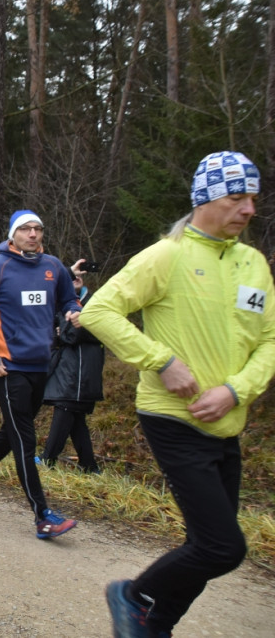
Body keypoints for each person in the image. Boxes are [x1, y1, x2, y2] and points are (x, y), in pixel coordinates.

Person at [80, 151, 274, 638]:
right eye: (236, 198)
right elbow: (99, 311)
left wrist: (236, 390)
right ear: (206, 200)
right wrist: (161, 362)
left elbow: (270, 339)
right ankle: (134, 595)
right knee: (222, 548)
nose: (249, 209)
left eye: (252, 198)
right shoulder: (167, 256)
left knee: (206, 547)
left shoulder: (253, 262)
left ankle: (154, 627)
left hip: (227, 422)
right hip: (174, 417)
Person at [0, 209, 81, 539]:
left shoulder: (53, 267)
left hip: (42, 365)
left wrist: (75, 311)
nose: (32, 234)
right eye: (25, 229)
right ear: (13, 234)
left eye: (38, 228)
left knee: (12, 432)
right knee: (25, 441)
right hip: (8, 367)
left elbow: (68, 300)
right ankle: (43, 516)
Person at [40, 260, 104, 473]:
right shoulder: (59, 301)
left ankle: (47, 459)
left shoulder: (95, 302)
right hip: (66, 363)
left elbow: (73, 333)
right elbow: (51, 331)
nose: (76, 279)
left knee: (66, 405)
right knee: (73, 413)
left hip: (84, 366)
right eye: (71, 275)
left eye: (79, 275)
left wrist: (64, 331)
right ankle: (89, 466)